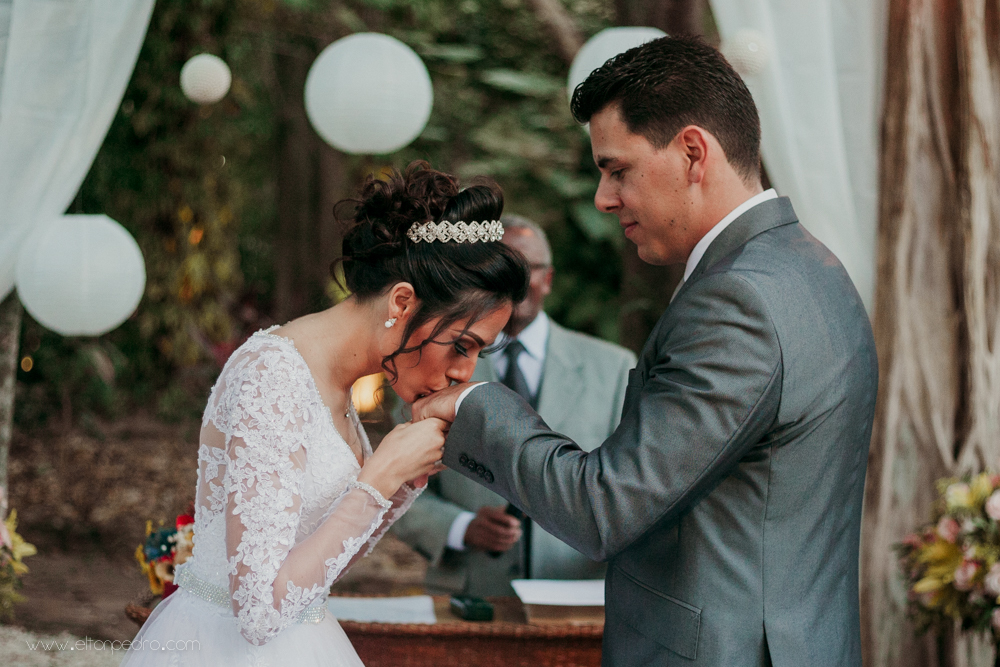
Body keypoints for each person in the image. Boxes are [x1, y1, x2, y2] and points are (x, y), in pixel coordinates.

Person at [413, 36, 877, 666]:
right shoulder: (815, 269)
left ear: (693, 153)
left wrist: (476, 404)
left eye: (618, 169)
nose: (603, 198)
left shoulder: (738, 300)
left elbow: (604, 507)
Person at [120, 161, 529, 667]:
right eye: (462, 345)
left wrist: (403, 481)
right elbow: (259, 612)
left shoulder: (335, 384)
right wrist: (379, 477)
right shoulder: (273, 375)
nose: (464, 372)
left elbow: (316, 570)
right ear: (402, 302)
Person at [391, 215, 636, 597]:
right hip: (468, 595)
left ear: (548, 279)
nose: (513, 283)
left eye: (525, 269)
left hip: (573, 596)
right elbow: (391, 479)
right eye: (500, 270)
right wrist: (460, 527)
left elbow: (628, 487)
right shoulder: (431, 364)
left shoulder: (614, 367)